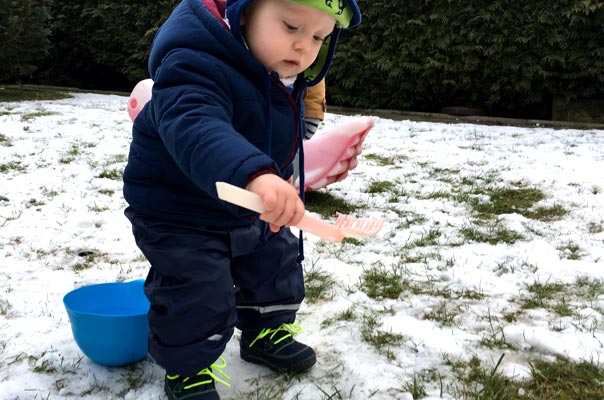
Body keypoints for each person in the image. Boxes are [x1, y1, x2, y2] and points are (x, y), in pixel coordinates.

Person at [121, 0, 362, 399]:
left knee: (275, 259)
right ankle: (189, 368)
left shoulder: (275, 72)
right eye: (290, 26)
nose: (304, 46)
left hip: (247, 196)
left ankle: (265, 330)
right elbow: (197, 125)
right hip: (178, 207)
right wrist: (256, 175)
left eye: (318, 36)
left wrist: (278, 181)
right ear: (245, 12)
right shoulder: (192, 61)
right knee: (197, 286)